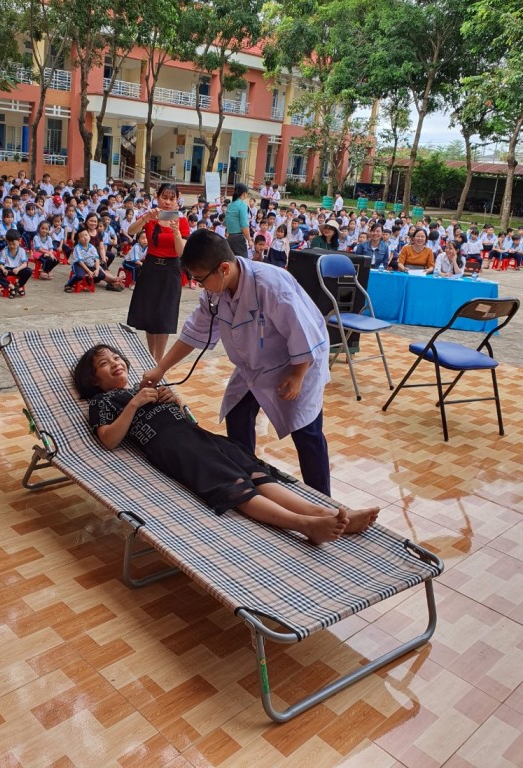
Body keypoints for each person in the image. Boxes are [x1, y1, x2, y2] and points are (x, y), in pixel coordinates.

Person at [75, 344, 378, 542]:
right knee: (233, 485)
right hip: (177, 449)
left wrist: (174, 401)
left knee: (254, 472)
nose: (115, 362)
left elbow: (188, 420)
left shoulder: (147, 388)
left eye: (116, 357)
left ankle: (323, 513)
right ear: (94, 380)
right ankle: (302, 524)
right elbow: (109, 439)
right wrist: (134, 403)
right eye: (104, 363)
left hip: (201, 437)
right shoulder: (103, 401)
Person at [141, 231, 332, 496]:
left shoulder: (271, 285)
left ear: (224, 268)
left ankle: (324, 499)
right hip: (255, 365)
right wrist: (161, 368)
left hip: (298, 361)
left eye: (200, 279)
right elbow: (195, 331)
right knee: (238, 413)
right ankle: (250, 482)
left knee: (306, 431)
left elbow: (303, 332)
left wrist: (298, 375)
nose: (199, 285)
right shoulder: (215, 292)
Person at [126, 183, 190, 362]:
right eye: (164, 197)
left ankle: (158, 361)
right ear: (157, 197)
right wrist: (145, 219)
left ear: (177, 201)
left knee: (164, 317)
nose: (167, 202)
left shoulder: (182, 221)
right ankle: (150, 356)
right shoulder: (151, 217)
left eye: (172, 199)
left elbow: (181, 252)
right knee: (150, 315)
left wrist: (176, 233)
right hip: (151, 268)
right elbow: (131, 231)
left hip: (171, 270)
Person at [64, 226, 125, 291]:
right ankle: (69, 284)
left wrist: (97, 270)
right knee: (79, 275)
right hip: (79, 265)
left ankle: (88, 281)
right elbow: (80, 262)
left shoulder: (92, 247)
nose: (85, 237)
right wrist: (89, 271)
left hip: (90, 264)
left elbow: (96, 259)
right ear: (79, 240)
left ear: (89, 236)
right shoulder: (77, 248)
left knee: (101, 275)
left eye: (86, 235)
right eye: (82, 236)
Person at [0, 229, 31, 296]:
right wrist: (3, 269)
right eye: (9, 244)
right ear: (7, 241)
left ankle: (18, 285)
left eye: (13, 244)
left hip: (18, 270)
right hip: (7, 270)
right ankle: (11, 286)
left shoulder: (22, 251)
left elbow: (25, 264)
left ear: (19, 241)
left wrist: (18, 269)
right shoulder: (4, 251)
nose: (11, 246)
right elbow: (1, 264)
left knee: (29, 271)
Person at [223, 182, 252, 257]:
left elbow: (225, 222)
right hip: (239, 239)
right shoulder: (242, 205)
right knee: (243, 261)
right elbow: (244, 225)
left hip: (230, 238)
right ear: (244, 194)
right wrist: (249, 240)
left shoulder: (230, 205)